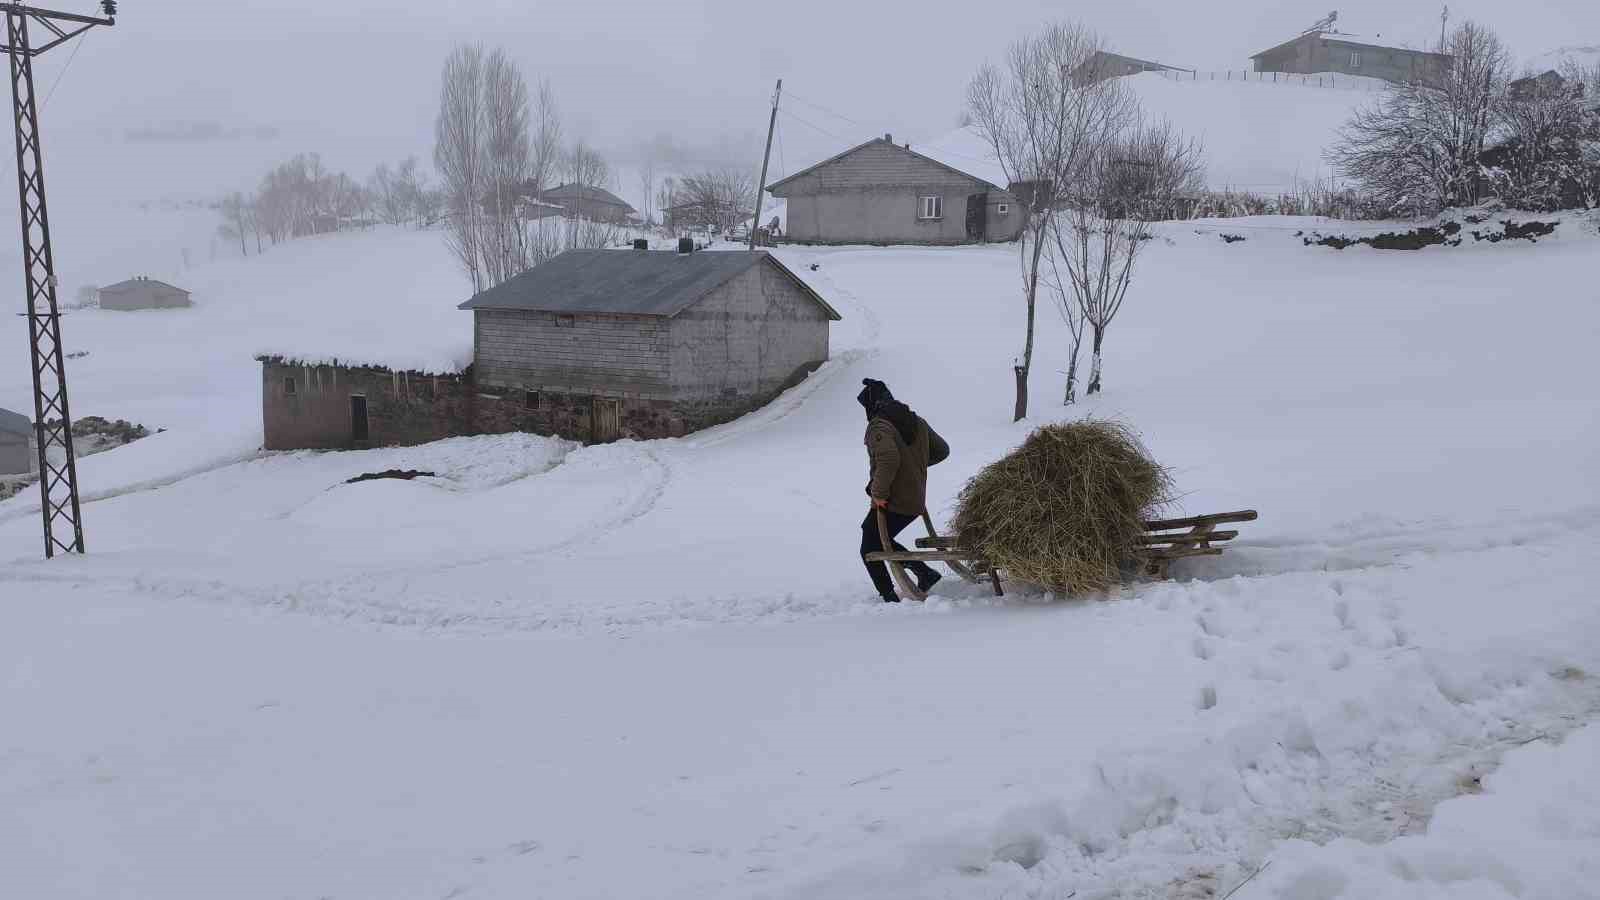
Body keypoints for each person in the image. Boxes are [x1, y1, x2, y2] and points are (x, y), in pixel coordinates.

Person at [858, 378, 950, 602]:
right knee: (878, 538)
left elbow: (889, 459)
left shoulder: (879, 426)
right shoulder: (916, 421)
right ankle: (924, 573)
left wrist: (878, 494)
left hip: (893, 498)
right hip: (915, 497)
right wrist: (913, 466)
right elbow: (941, 451)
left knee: (869, 546)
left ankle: (889, 596)